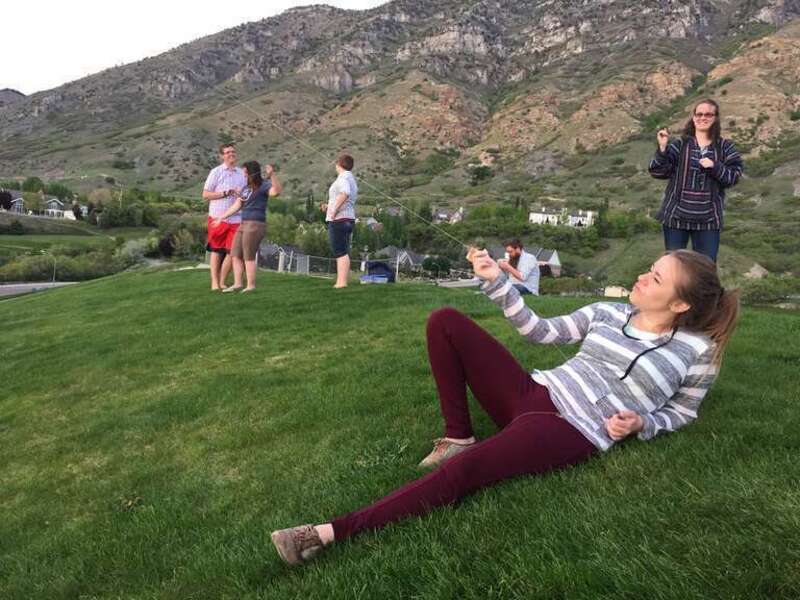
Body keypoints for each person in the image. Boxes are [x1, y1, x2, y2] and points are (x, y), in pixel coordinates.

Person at [270, 249, 740, 566]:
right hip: (532, 393)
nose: (641, 276)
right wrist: (497, 283)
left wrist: (644, 422)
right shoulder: (608, 312)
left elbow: (684, 412)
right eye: (648, 268)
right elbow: (539, 331)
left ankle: (327, 533)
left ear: (678, 303)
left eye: (655, 278)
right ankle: (458, 435)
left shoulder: (695, 353)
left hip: (572, 429)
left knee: (467, 474)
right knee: (446, 321)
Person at [649, 98, 743, 262]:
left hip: (709, 221)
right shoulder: (680, 145)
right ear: (693, 117)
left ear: (715, 118)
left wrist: (715, 166)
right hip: (675, 218)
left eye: (708, 114)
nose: (703, 117)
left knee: (705, 270)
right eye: (699, 114)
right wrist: (663, 148)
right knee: (674, 269)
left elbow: (734, 176)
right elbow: (657, 171)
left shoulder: (725, 147)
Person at [212, 161, 282, 292]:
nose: (243, 175)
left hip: (255, 224)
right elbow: (237, 205)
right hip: (243, 223)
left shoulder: (264, 186)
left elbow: (276, 192)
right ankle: (238, 283)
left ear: (251, 173)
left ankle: (251, 285)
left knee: (248, 255)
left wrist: (272, 175)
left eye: (245, 173)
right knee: (235, 253)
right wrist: (221, 217)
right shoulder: (246, 188)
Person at [203, 144, 247, 290]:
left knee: (232, 252)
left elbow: (246, 194)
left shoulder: (241, 173)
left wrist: (242, 195)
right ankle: (214, 283)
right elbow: (205, 195)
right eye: (228, 152)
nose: (231, 154)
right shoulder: (215, 172)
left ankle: (222, 281)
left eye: (233, 152)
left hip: (236, 218)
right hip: (217, 217)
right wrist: (226, 193)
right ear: (222, 156)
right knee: (216, 251)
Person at [321, 154, 358, 288]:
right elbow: (345, 197)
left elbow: (345, 193)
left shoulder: (343, 178)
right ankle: (341, 281)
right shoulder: (351, 178)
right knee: (343, 250)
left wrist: (334, 210)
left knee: (339, 251)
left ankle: (341, 283)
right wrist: (329, 207)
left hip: (340, 219)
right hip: (348, 218)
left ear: (338, 165)